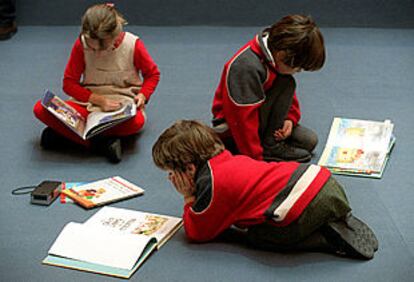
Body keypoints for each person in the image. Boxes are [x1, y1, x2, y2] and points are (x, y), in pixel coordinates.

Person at [152, 120, 379, 259]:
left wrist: (188, 197)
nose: (170, 178)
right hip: (321, 179)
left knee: (258, 235)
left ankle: (323, 237)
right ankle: (335, 214)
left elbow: (197, 233)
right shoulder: (225, 158)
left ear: (189, 169)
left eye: (171, 172)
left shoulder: (210, 185)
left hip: (307, 203)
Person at [33, 3, 160, 163]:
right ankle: (102, 144)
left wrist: (143, 95)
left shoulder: (133, 44)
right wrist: (99, 100)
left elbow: (152, 74)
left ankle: (66, 137)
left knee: (137, 122)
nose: (97, 53)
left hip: (120, 106)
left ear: (115, 35)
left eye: (103, 48)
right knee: (40, 108)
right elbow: (69, 83)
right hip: (87, 102)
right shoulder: (81, 43)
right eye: (92, 49)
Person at [211, 15, 325, 162]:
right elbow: (242, 119)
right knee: (287, 83)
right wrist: (256, 160)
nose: (298, 71)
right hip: (232, 127)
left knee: (308, 141)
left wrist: (290, 119)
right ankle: (269, 147)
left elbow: (286, 97)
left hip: (261, 116)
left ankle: (269, 144)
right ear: (282, 55)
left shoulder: (275, 57)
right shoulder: (246, 67)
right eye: (298, 68)